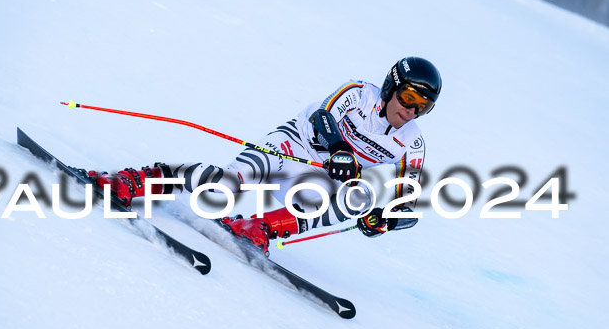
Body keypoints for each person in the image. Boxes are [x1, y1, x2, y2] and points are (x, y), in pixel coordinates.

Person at [88, 57, 442, 254]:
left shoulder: (411, 143)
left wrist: (386, 220)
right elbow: (322, 116)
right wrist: (338, 149)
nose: (411, 111)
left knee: (360, 198)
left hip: (318, 179)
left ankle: (259, 228)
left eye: (422, 107)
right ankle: (133, 182)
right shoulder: (359, 94)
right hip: (295, 144)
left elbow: (407, 201)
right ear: (391, 87)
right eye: (409, 97)